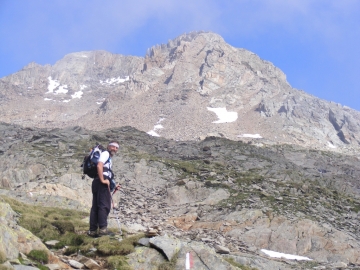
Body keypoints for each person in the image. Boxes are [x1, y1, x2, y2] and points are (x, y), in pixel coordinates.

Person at [88, 141, 121, 237]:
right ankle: (103, 229)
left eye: (116, 148)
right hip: (101, 182)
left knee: (96, 206)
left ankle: (93, 230)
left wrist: (113, 185)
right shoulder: (106, 154)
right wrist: (103, 180)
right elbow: (99, 165)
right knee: (104, 205)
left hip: (97, 182)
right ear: (108, 146)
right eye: (113, 146)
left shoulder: (107, 157)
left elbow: (106, 171)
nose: (114, 149)